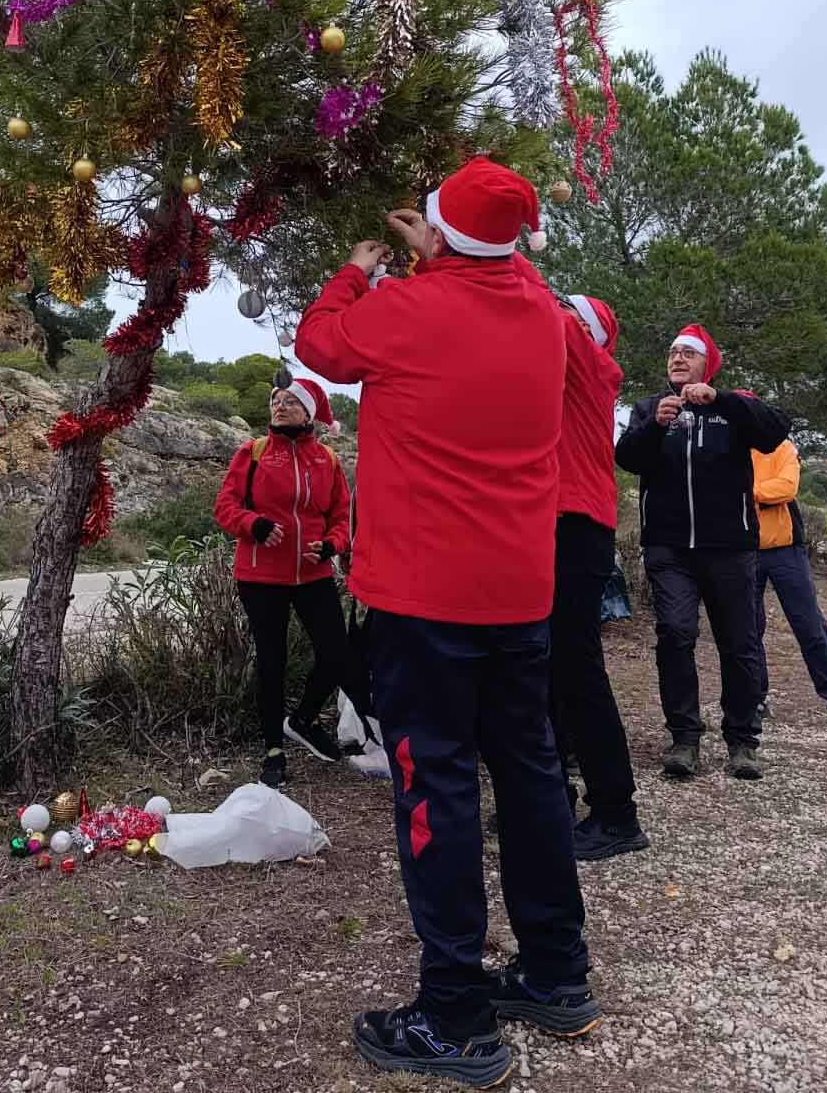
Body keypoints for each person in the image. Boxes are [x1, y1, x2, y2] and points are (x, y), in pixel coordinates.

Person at [297, 158, 601, 1088]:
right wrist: (449, 245)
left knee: (438, 790)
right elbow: (505, 266)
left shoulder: (405, 308)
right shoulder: (543, 316)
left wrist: (358, 269)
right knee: (532, 775)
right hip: (520, 593)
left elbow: (320, 345)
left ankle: (456, 1018)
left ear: (437, 235)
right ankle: (556, 974)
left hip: (425, 596)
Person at [615, 324, 789, 782]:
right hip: (669, 548)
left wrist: (722, 400)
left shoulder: (732, 406)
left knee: (739, 642)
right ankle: (684, 738)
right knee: (675, 634)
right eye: (673, 351)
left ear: (706, 364)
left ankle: (742, 740)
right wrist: (655, 426)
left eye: (688, 353)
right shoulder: (650, 408)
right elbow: (627, 458)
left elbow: (775, 431)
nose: (677, 358)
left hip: (729, 548)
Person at [214, 376, 356, 789]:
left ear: (308, 412)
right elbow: (225, 506)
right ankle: (273, 751)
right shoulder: (253, 452)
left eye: (292, 401)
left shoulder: (327, 460)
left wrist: (331, 545)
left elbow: (341, 516)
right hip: (261, 576)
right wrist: (253, 524)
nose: (280, 406)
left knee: (337, 654)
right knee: (271, 661)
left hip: (313, 574)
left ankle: (303, 720)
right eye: (277, 400)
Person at [550, 293, 648, 863]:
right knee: (542, 667)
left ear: (587, 330)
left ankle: (616, 812)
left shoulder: (591, 362)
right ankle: (551, 797)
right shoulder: (563, 370)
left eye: (567, 307)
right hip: (555, 523)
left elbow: (521, 297)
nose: (555, 307)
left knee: (576, 669)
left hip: (576, 525)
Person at [752, 439, 827, 727]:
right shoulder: (728, 444)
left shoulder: (782, 447)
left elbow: (786, 488)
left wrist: (747, 492)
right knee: (747, 629)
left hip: (785, 548)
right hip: (742, 550)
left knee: (809, 624)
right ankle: (755, 698)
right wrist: (759, 493)